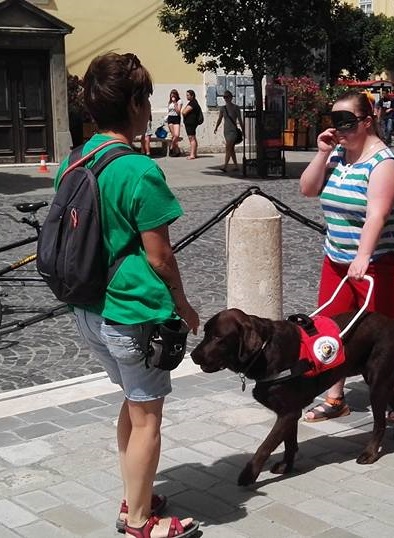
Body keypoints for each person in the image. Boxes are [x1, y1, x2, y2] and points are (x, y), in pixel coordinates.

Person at [62, 52, 199, 537]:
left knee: (134, 401)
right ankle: (141, 521)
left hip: (88, 306)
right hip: (130, 312)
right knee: (147, 419)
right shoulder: (139, 170)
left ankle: (134, 496)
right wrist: (183, 304)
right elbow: (159, 256)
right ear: (138, 103)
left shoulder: (76, 158)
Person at [299, 90, 394, 421]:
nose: (340, 129)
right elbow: (308, 189)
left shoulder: (383, 164)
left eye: (347, 122)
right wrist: (322, 153)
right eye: (334, 121)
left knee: (384, 330)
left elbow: (376, 215)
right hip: (337, 257)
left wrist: (363, 257)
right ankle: (336, 397)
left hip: (388, 259)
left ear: (367, 122)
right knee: (330, 327)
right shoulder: (338, 154)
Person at [214, 90, 243, 172]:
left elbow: (240, 120)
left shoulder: (236, 108)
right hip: (226, 130)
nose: (225, 98)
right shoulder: (222, 108)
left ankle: (225, 166)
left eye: (227, 97)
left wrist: (243, 130)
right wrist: (216, 127)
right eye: (224, 97)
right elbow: (220, 118)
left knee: (228, 147)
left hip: (233, 131)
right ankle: (236, 165)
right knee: (231, 149)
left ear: (231, 97)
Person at [180, 89, 201, 160]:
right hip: (191, 123)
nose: (187, 96)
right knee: (193, 137)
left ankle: (192, 155)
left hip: (190, 123)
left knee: (191, 138)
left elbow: (184, 112)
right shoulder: (193, 102)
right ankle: (194, 153)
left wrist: (183, 110)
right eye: (186, 95)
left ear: (192, 95)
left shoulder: (193, 103)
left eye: (188, 95)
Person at [166, 89, 182, 157]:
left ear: (176, 95)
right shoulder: (169, 102)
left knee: (176, 135)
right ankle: (177, 151)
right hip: (170, 118)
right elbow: (168, 111)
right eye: (171, 95)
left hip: (176, 118)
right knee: (173, 136)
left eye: (174, 94)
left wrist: (175, 102)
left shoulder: (179, 101)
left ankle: (172, 147)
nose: (172, 96)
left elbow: (178, 112)